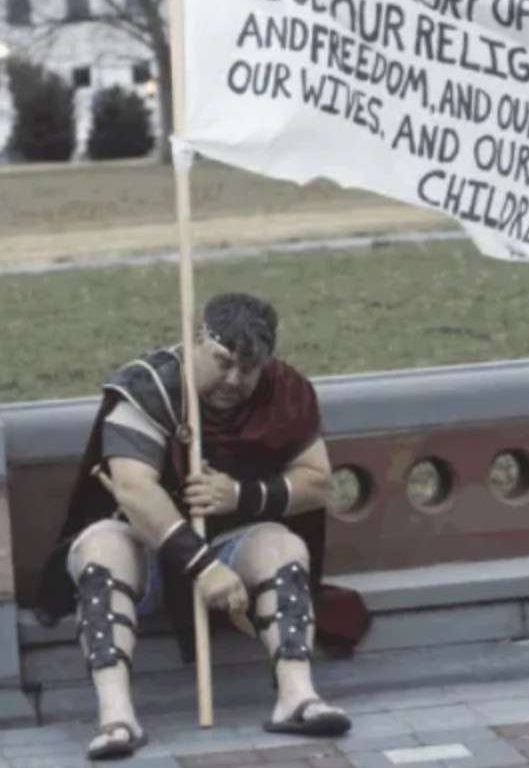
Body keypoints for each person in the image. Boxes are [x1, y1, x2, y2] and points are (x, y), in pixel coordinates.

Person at [36, 293, 367, 760]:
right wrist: (203, 567)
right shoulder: (148, 385)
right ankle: (116, 716)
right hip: (144, 550)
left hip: (233, 546)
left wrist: (239, 495)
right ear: (196, 343)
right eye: (222, 362)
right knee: (101, 549)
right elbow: (133, 488)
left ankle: (297, 697)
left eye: (247, 369)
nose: (233, 380)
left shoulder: (285, 390)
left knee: (283, 547)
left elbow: (318, 483)